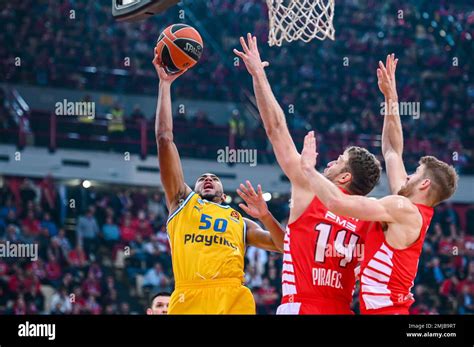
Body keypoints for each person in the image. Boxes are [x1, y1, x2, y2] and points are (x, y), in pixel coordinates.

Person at [234, 34, 381, 314]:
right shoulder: (370, 216)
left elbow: (275, 128)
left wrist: (258, 75)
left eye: (338, 161)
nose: (330, 164)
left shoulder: (308, 186)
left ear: (345, 177)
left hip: (301, 306)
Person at [299, 56, 458, 315]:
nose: (406, 177)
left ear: (425, 183)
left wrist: (307, 169)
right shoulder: (406, 206)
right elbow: (392, 150)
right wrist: (390, 97)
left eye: (415, 174)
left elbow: (337, 203)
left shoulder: (401, 208)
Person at [152, 47, 285, 314]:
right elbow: (165, 139)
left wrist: (266, 216)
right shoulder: (181, 201)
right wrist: (164, 84)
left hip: (233, 295)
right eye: (202, 179)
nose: (208, 179)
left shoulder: (240, 221)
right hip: (190, 295)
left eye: (214, 178)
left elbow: (284, 246)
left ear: (225, 196)